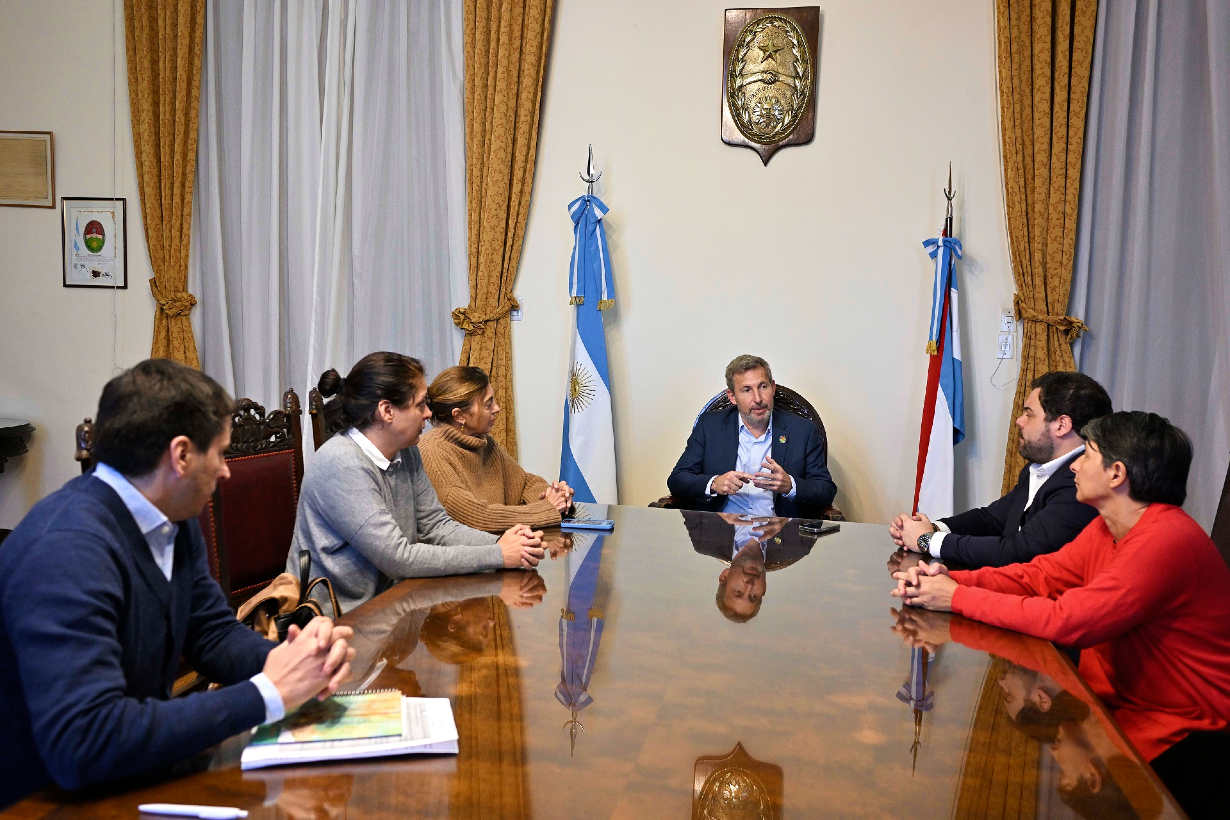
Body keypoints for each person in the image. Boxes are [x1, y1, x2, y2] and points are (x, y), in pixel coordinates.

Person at [0, 360, 355, 808]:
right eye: (221, 453)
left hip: (137, 774)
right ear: (182, 455)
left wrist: (294, 658)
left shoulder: (170, 515)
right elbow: (83, 743)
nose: (227, 471)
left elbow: (210, 634)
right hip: (48, 801)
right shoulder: (65, 552)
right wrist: (268, 693)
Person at [892, 411, 1230, 819]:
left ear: (1116, 473)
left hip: (1187, 730)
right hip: (1119, 704)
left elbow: (1069, 620)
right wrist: (951, 577)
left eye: (1087, 454)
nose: (1074, 464)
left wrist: (956, 597)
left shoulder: (1165, 539)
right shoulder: (1110, 526)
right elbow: (1040, 576)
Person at [290, 353, 545, 612]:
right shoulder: (341, 462)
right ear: (387, 411)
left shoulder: (406, 451)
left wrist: (507, 543)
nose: (429, 413)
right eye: (420, 405)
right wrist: (498, 554)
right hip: (335, 620)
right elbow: (397, 558)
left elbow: (437, 527)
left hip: (395, 606)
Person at [890, 371, 1112, 567]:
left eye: (1029, 413)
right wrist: (933, 528)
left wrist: (927, 541)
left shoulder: (1082, 482)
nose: (1019, 421)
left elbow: (1021, 552)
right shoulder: (1041, 468)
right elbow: (993, 519)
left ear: (1062, 425)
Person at [667, 355, 837, 518]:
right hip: (721, 534)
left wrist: (790, 486)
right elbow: (677, 480)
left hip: (780, 537)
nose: (758, 399)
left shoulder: (802, 430)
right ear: (732, 397)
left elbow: (826, 490)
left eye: (763, 387)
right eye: (747, 390)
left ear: (773, 388)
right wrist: (714, 483)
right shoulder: (710, 426)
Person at [419, 365, 573, 532]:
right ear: (459, 415)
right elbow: (477, 517)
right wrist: (548, 508)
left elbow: (524, 483)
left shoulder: (484, 441)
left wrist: (556, 497)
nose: (497, 409)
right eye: (488, 404)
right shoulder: (431, 451)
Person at [684, 511, 812, 622]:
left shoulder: (703, 538)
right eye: (753, 596)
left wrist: (715, 505)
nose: (749, 585)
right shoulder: (798, 546)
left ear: (725, 576)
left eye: (738, 592)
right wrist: (789, 516)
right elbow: (820, 498)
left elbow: (685, 490)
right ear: (764, 588)